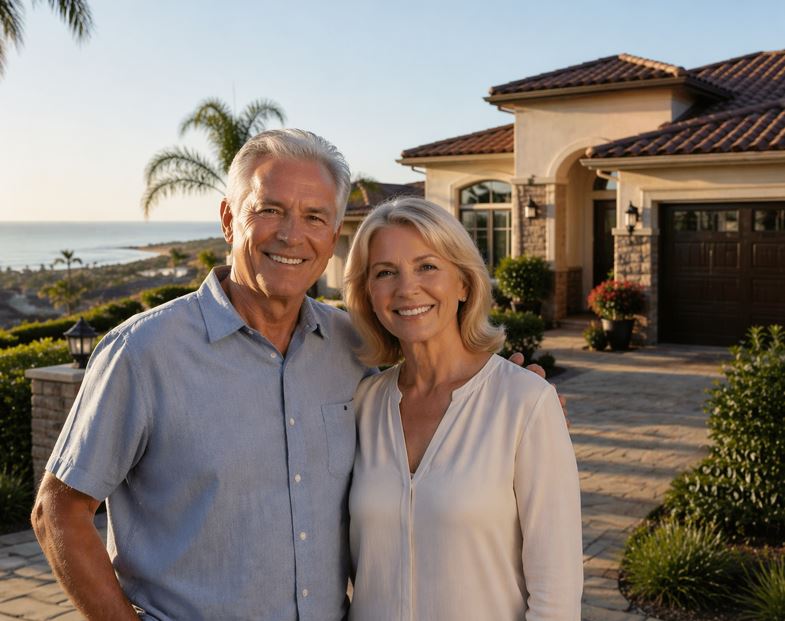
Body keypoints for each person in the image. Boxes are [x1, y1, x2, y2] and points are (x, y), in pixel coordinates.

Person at [31, 129, 561, 620]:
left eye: (314, 216)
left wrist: (514, 397)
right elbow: (57, 511)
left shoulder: (353, 350)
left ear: (332, 235)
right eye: (270, 210)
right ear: (227, 219)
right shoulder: (144, 353)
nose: (291, 234)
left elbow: (441, 382)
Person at [343, 197, 583, 620]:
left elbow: (557, 596)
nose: (406, 287)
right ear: (368, 293)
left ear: (464, 284)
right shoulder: (363, 404)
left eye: (427, 266)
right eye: (385, 273)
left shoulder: (525, 401)